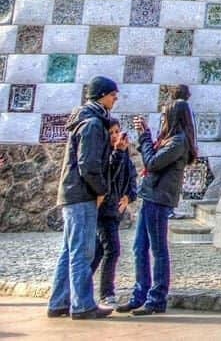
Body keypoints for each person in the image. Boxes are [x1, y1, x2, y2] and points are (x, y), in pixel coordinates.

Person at [48, 76, 117, 319]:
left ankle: (59, 302)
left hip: (72, 193)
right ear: (101, 96)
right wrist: (100, 190)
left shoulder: (85, 120)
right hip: (82, 194)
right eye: (112, 95)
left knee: (69, 250)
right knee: (82, 252)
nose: (115, 99)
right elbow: (88, 164)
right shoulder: (92, 124)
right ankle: (82, 305)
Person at [124, 99, 195, 316]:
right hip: (150, 196)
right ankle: (140, 294)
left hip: (159, 198)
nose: (162, 119)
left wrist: (144, 137)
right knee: (139, 248)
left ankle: (156, 298)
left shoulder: (178, 142)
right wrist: (146, 136)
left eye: (165, 115)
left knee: (158, 249)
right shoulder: (170, 140)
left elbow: (152, 163)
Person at [90, 119, 136, 307]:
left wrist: (128, 197)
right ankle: (106, 293)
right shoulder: (106, 155)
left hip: (115, 210)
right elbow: (110, 174)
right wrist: (117, 151)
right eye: (112, 132)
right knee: (112, 250)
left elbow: (131, 178)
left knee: (99, 251)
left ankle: (78, 288)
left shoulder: (125, 156)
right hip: (104, 210)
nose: (116, 135)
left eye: (118, 131)